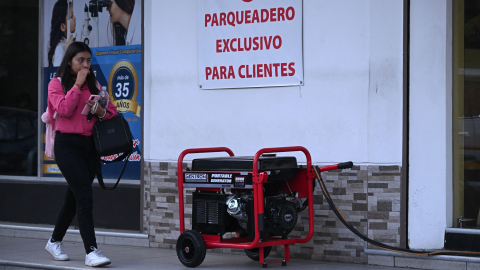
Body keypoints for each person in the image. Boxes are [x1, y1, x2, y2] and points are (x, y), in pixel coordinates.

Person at [44, 41, 117, 267]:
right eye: (80, 60)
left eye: (88, 60)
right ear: (69, 62)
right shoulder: (56, 84)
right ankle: (92, 251)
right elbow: (64, 110)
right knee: (84, 196)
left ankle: (54, 241)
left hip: (90, 146)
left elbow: (111, 112)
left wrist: (100, 110)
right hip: (67, 146)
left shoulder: (94, 84)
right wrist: (77, 85)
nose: (86, 65)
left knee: (74, 198)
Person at [48, 0, 77, 67]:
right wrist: (68, 53)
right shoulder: (60, 48)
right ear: (63, 26)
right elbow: (59, 74)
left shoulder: (68, 43)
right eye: (72, 16)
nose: (75, 18)